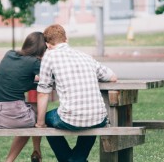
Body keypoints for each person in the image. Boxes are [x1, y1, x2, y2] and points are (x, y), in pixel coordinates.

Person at [35, 24, 117, 162]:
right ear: (66, 40)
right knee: (91, 119)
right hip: (100, 117)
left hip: (70, 118)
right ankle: (77, 158)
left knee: (46, 119)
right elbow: (113, 77)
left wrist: (40, 124)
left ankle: (71, 160)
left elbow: (43, 92)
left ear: (47, 45)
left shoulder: (49, 56)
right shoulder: (85, 56)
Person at [0, 32, 47, 162]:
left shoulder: (9, 54)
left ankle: (21, 157)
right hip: (13, 116)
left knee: (33, 110)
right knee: (38, 118)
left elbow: (18, 76)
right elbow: (49, 79)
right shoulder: (35, 62)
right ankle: (35, 152)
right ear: (42, 49)